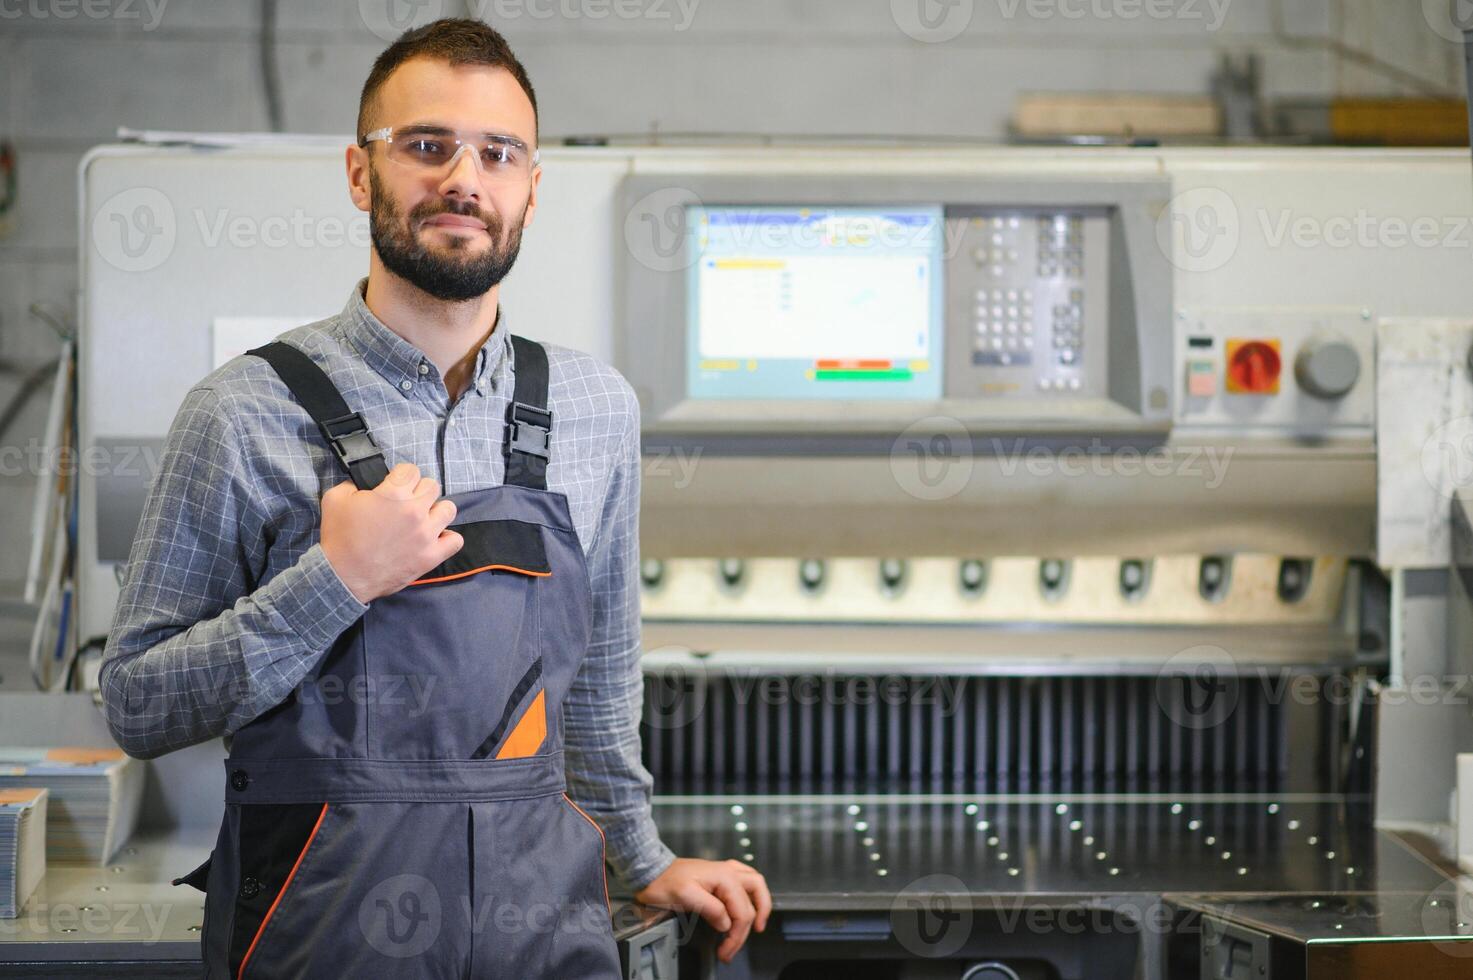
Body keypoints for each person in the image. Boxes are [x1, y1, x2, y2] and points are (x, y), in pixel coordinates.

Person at [99, 17, 769, 977]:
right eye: (425, 146)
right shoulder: (241, 411)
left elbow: (601, 684)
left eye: (498, 153)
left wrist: (643, 857)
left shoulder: (592, 408)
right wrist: (335, 578)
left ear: (531, 190)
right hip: (318, 935)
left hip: (539, 936)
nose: (464, 176)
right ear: (359, 174)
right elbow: (137, 703)